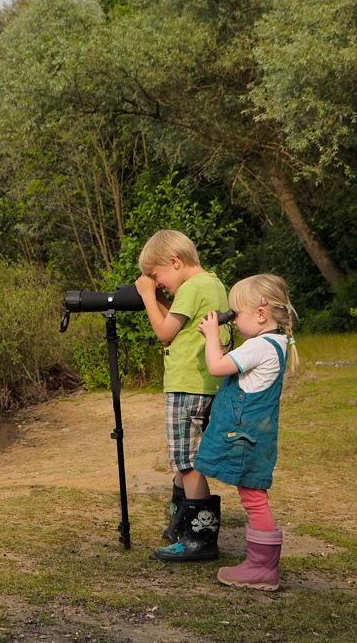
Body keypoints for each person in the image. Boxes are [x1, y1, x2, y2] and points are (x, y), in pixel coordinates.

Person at [189, 274, 297, 590]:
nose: (233, 320)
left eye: (237, 313)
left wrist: (211, 334)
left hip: (245, 437)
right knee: (252, 495)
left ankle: (263, 568)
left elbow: (216, 367)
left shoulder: (261, 344)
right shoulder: (275, 343)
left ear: (261, 314)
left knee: (253, 497)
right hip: (256, 436)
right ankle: (260, 564)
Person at [134, 230, 229, 562]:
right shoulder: (214, 285)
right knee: (186, 458)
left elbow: (164, 333)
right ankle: (179, 525)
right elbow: (177, 321)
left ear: (174, 262)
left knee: (187, 463)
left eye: (158, 276)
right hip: (207, 384)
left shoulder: (190, 288)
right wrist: (157, 294)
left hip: (186, 385)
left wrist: (146, 295)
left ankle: (199, 539)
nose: (159, 284)